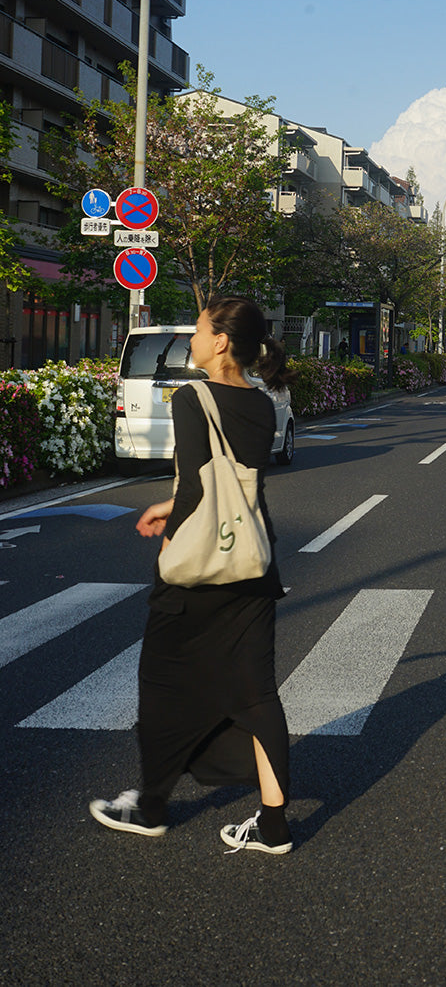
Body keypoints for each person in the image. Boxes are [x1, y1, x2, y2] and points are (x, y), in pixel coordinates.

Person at [90, 297, 293, 855]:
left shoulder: (191, 397)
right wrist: (169, 502)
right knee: (257, 694)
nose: (192, 341)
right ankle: (273, 825)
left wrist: (174, 526)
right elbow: (231, 481)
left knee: (162, 685)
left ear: (221, 342)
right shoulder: (261, 400)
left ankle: (150, 806)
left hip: (200, 574)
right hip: (253, 560)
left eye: (200, 332)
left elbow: (201, 488)